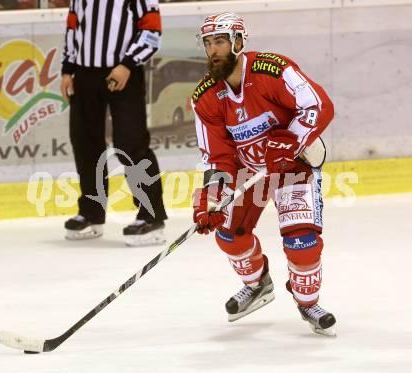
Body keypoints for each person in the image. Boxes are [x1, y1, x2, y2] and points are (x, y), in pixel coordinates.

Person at [191, 12, 336, 336]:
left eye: (221, 41)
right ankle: (257, 284)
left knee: (303, 242)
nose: (214, 50)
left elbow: (318, 105)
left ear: (239, 42)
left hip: (290, 167)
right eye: (208, 43)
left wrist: (290, 141)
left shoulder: (273, 69)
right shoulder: (204, 98)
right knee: (228, 236)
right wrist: (210, 198)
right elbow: (217, 156)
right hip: (247, 170)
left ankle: (307, 302)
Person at [60, 0, 167, 246]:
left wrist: (128, 64)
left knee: (131, 143)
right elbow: (73, 27)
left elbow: (152, 31)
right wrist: (68, 69)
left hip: (123, 74)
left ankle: (151, 216)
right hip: (84, 74)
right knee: (85, 142)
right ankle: (91, 212)